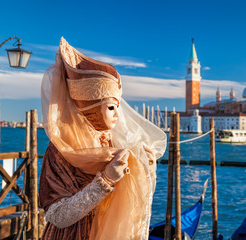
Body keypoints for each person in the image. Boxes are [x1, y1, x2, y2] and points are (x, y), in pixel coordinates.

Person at [39, 37, 167, 240]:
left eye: (118, 106)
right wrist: (105, 180)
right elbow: (56, 216)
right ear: (90, 109)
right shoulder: (60, 150)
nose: (118, 114)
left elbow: (135, 199)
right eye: (110, 107)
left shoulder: (113, 143)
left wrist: (145, 167)